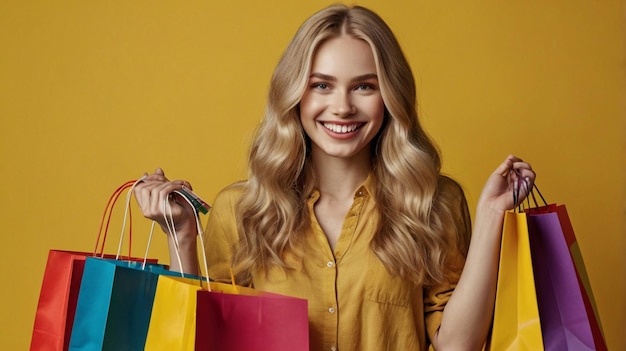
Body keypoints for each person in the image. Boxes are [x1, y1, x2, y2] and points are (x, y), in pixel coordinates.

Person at [134, 4, 535, 350]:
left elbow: (457, 344)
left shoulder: (432, 202)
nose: (342, 107)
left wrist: (490, 216)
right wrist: (181, 235)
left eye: (364, 86)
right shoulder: (241, 209)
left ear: (390, 97)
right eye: (321, 85)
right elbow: (203, 338)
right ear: (295, 94)